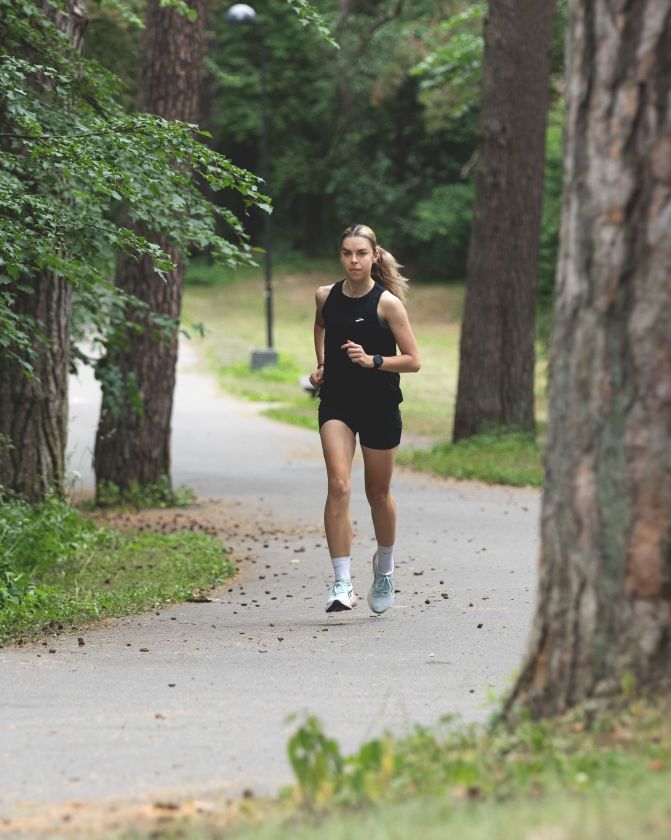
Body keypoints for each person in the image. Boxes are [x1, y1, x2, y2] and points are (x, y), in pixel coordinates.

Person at [309, 224, 421, 615]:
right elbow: (321, 326)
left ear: (374, 256)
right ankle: (341, 583)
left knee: (377, 494)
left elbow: (413, 360)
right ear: (339, 256)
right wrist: (322, 364)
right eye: (346, 253)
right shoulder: (326, 296)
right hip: (337, 402)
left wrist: (373, 361)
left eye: (360, 253)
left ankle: (385, 566)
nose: (353, 260)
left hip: (379, 404)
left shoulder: (387, 303)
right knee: (338, 485)